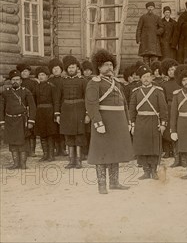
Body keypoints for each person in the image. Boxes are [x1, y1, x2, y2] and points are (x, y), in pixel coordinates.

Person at [85, 49, 135, 194]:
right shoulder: (94, 83)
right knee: (101, 153)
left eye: (110, 64)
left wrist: (128, 121)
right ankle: (102, 185)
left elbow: (124, 103)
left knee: (115, 152)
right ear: (99, 67)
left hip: (118, 123)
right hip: (104, 122)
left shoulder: (116, 82)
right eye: (105, 65)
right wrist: (98, 122)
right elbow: (91, 104)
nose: (109, 67)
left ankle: (114, 183)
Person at [129, 65, 168, 180]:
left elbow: (163, 109)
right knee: (142, 147)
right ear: (140, 79)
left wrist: (163, 124)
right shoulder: (136, 92)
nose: (146, 79)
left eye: (148, 76)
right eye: (143, 77)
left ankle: (154, 171)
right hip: (140, 122)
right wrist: (132, 124)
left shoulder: (157, 91)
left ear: (152, 78)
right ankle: (146, 171)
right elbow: (132, 110)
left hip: (153, 122)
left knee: (153, 147)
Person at [0, 69, 37, 169]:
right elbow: (1, 108)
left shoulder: (26, 92)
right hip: (10, 121)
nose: (15, 81)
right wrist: (2, 122)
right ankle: (15, 163)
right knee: (12, 143)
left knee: (23, 142)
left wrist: (31, 121)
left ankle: (23, 164)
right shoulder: (5, 93)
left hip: (22, 121)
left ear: (21, 81)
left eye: (17, 79)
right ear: (10, 81)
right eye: (13, 80)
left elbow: (32, 107)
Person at [58, 55, 88, 169]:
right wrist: (57, 114)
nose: (71, 69)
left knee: (79, 136)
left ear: (77, 68)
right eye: (69, 68)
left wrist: (87, 114)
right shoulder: (62, 82)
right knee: (69, 136)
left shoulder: (83, 81)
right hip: (66, 111)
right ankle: (71, 161)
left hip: (79, 111)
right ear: (66, 69)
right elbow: (58, 99)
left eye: (73, 67)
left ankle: (79, 160)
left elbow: (87, 98)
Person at [33, 66, 60, 162]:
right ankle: (45, 155)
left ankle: (51, 155)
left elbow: (56, 101)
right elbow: (34, 102)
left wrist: (56, 113)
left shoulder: (51, 87)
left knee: (50, 134)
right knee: (42, 134)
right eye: (39, 75)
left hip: (49, 112)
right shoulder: (36, 88)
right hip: (40, 113)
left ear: (47, 76)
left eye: (43, 75)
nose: (41, 77)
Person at [160, 58, 179, 163]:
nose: (172, 72)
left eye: (174, 69)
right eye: (170, 70)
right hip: (168, 107)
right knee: (167, 128)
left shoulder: (180, 82)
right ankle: (167, 151)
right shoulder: (164, 84)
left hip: (178, 108)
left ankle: (176, 151)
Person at [136, 2, 163, 66]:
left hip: (154, 41)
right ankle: (147, 73)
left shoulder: (157, 17)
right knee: (146, 59)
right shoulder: (143, 17)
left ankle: (154, 73)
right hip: (145, 42)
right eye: (149, 7)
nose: (150, 9)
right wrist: (138, 39)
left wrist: (157, 32)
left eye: (151, 7)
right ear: (146, 8)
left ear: (154, 8)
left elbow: (162, 27)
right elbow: (139, 28)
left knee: (155, 60)